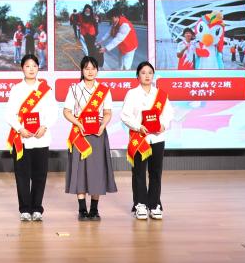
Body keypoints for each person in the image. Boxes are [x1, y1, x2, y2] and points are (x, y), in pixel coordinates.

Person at [63, 56, 117, 221]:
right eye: (87, 68)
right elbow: (67, 111)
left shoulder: (103, 90)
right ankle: (82, 209)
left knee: (96, 171)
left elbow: (107, 112)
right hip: (80, 134)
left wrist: (103, 125)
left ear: (97, 70)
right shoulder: (74, 89)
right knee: (80, 171)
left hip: (97, 134)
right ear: (82, 70)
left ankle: (94, 209)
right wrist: (78, 123)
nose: (90, 71)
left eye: (93, 68)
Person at [121, 62, 175, 221]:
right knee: (139, 172)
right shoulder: (132, 94)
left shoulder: (161, 95)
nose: (147, 75)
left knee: (155, 172)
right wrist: (138, 126)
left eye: (150, 72)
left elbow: (169, 113)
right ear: (137, 76)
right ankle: (140, 204)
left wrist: (163, 125)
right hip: (140, 138)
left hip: (157, 138)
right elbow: (125, 115)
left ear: (153, 75)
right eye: (143, 72)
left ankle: (154, 204)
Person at [5, 54, 56, 221]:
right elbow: (9, 114)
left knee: (40, 175)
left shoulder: (45, 90)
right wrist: (20, 128)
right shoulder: (16, 89)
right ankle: (25, 209)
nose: (31, 69)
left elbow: (53, 111)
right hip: (22, 139)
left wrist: (45, 126)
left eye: (34, 66)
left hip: (41, 138)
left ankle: (37, 209)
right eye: (27, 66)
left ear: (38, 68)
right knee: (22, 175)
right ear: (22, 68)